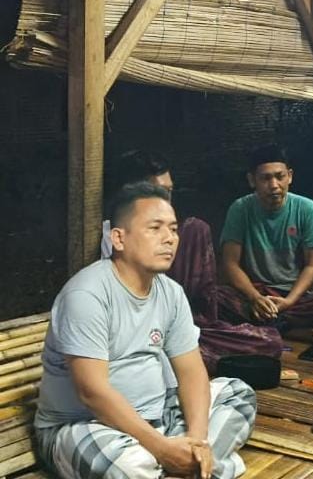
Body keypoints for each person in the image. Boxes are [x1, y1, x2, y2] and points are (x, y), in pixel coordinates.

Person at [35, 182, 257, 479]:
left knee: (237, 393)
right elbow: (92, 392)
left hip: (160, 417)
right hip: (89, 427)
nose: (169, 238)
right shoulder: (87, 295)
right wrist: (162, 449)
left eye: (173, 229)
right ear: (119, 238)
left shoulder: (171, 292)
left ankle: (192, 462)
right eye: (155, 228)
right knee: (124, 466)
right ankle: (208, 468)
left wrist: (198, 440)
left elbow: (192, 373)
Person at [101, 150, 283, 374]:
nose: (167, 200)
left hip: (184, 323)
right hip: (144, 330)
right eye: (159, 192)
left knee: (266, 337)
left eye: (169, 191)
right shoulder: (118, 238)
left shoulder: (173, 235)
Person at [217, 144, 313, 354]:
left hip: (293, 296)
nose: (274, 185)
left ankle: (271, 328)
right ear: (252, 180)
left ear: (290, 176)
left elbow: (312, 265)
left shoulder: (306, 209)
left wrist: (288, 301)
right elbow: (230, 263)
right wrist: (255, 298)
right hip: (255, 293)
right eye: (265, 178)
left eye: (279, 177)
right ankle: (290, 331)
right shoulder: (240, 209)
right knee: (215, 298)